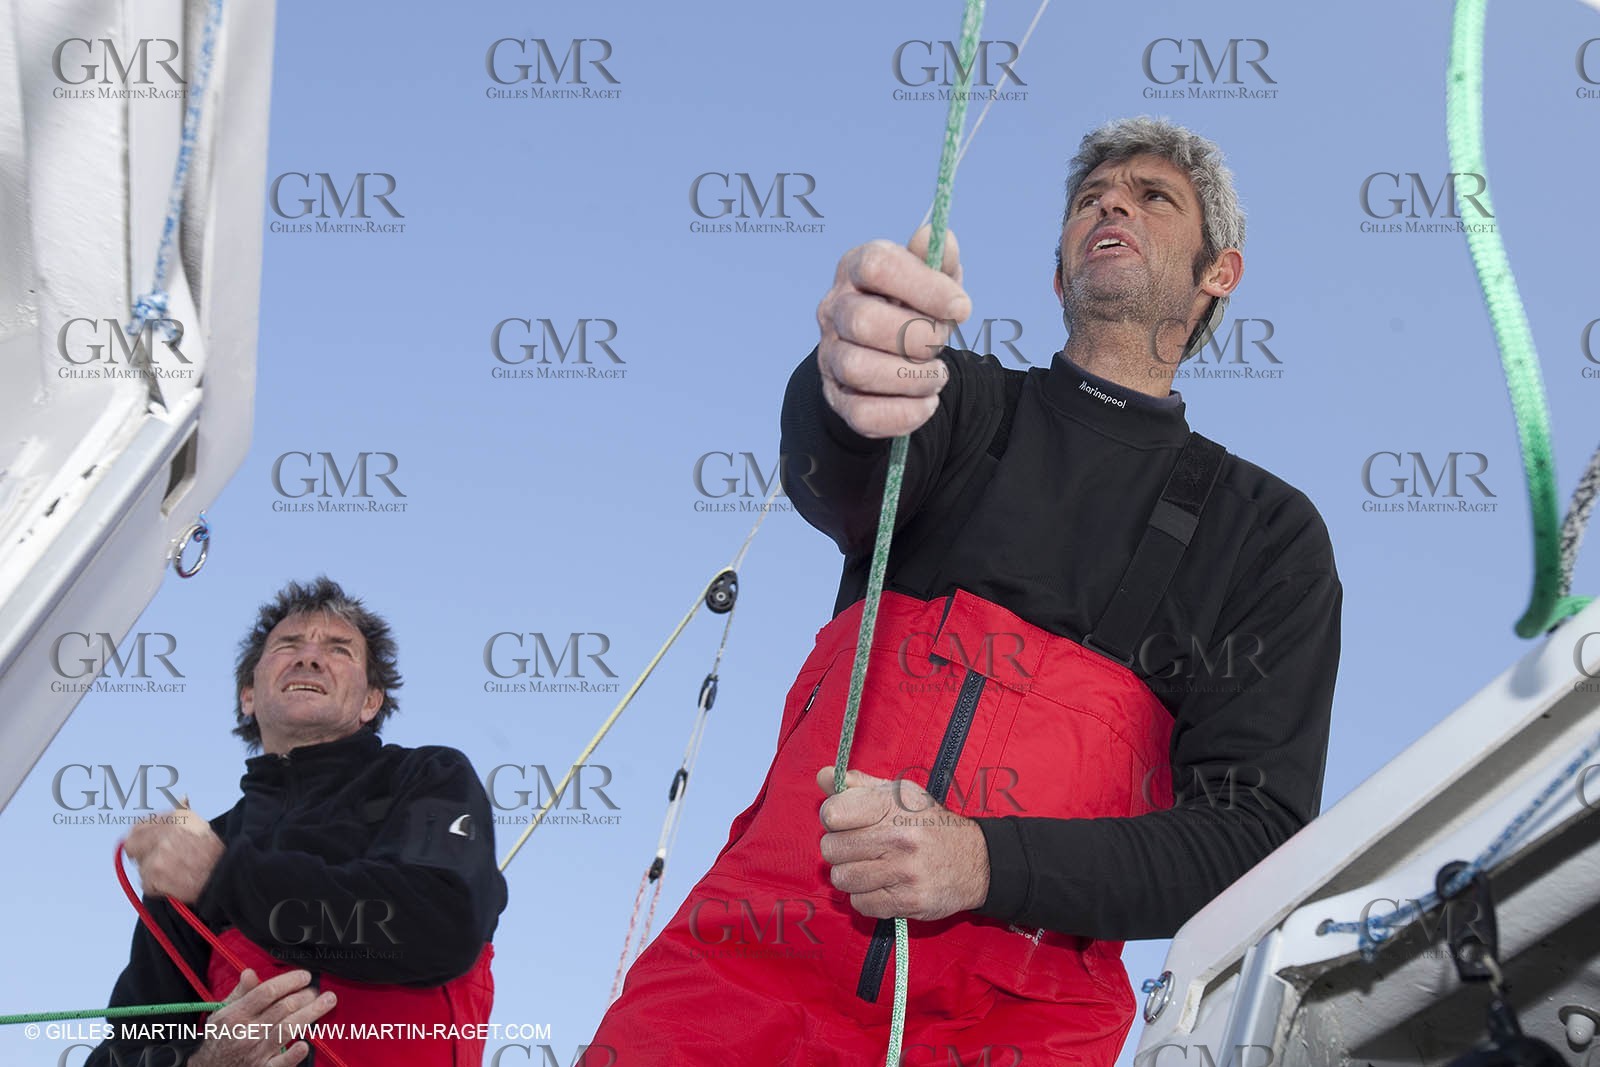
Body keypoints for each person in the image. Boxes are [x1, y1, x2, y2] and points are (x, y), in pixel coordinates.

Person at [592, 116, 1341, 1065]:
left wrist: (983, 861)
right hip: (737, 976)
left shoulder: (1266, 533)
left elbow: (1251, 832)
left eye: (1154, 196)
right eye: (1090, 197)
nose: (1111, 202)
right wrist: (847, 379)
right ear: (1060, 274)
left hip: (1020, 1027)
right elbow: (844, 460)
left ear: (1217, 274)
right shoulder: (959, 401)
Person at [88, 577, 507, 1067]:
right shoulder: (203, 849)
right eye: (288, 645)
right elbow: (131, 1042)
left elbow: (443, 923)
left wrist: (226, 880)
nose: (309, 658)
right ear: (248, 695)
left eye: (339, 650)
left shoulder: (427, 777)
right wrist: (205, 1061)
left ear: (371, 702)